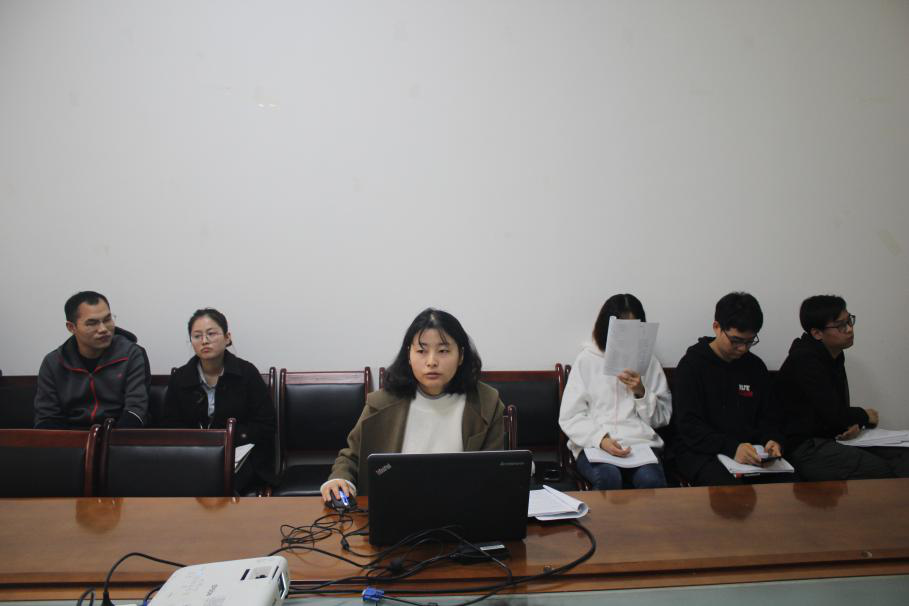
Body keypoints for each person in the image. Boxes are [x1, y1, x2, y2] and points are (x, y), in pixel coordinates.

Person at [321, 308, 504, 501]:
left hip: (463, 507)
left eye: (443, 351)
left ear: (461, 356)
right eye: (421, 351)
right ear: (409, 354)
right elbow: (351, 457)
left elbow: (497, 470)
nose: (431, 362)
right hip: (393, 505)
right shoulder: (381, 403)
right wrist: (340, 479)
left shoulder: (487, 403)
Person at [776, 295, 909, 479]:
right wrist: (865, 416)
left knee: (904, 458)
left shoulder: (834, 354)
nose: (849, 329)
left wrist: (851, 423)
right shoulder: (805, 360)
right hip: (802, 447)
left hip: (829, 438)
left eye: (849, 321)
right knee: (880, 469)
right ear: (817, 333)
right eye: (840, 326)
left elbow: (834, 413)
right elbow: (834, 414)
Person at [672, 292, 789, 486]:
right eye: (736, 340)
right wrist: (732, 448)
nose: (743, 348)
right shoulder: (692, 365)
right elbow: (688, 426)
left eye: (749, 341)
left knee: (789, 485)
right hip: (701, 451)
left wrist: (772, 439)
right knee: (729, 491)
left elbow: (769, 416)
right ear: (717, 327)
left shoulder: (755, 367)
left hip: (751, 452)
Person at [559, 294, 672, 490]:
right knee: (608, 478)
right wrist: (600, 439)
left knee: (651, 481)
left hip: (640, 445)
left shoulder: (649, 362)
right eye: (621, 330)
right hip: (595, 445)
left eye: (634, 329)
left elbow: (662, 418)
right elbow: (570, 416)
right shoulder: (586, 360)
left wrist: (641, 392)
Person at [160, 308, 277, 492]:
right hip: (193, 457)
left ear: (227, 338)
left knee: (219, 484)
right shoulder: (180, 378)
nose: (204, 341)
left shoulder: (246, 373)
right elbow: (169, 426)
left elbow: (267, 424)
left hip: (242, 457)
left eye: (211, 334)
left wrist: (228, 439)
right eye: (197, 336)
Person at [34, 291, 149, 429]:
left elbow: (136, 410)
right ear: (71, 327)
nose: (103, 329)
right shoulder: (53, 363)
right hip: (71, 436)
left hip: (118, 434)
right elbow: (47, 417)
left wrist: (111, 439)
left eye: (107, 319)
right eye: (92, 323)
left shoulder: (131, 354)